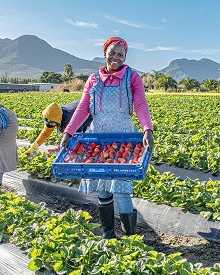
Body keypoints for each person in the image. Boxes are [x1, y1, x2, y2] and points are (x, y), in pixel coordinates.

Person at [60, 37, 154, 239]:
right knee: (102, 187)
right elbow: (83, 108)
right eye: (112, 53)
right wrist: (68, 132)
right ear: (105, 54)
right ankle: (108, 234)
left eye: (120, 54)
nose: (115, 57)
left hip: (123, 137)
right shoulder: (94, 79)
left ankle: (130, 238)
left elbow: (140, 104)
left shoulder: (132, 77)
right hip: (98, 137)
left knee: (120, 188)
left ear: (125, 57)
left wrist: (147, 128)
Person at [25, 101, 93, 155]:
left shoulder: (69, 119)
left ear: (58, 119)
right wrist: (33, 147)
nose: (50, 123)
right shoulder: (51, 117)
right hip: (77, 110)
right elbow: (45, 133)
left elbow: (77, 135)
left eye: (52, 122)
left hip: (87, 113)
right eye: (48, 121)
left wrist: (70, 148)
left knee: (87, 137)